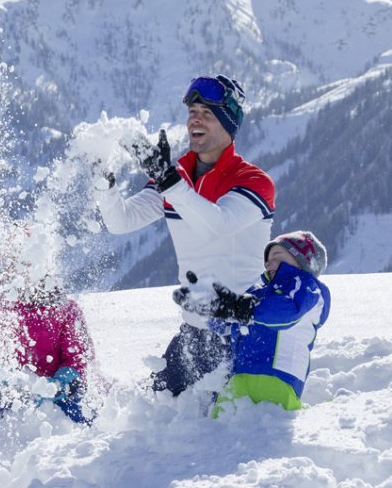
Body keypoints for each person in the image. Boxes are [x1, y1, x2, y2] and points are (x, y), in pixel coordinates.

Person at [95, 75, 276, 397]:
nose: (195, 119)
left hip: (242, 333)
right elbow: (121, 221)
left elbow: (217, 226)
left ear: (228, 125)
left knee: (225, 436)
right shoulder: (175, 174)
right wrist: (103, 184)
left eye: (207, 113)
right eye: (192, 112)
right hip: (192, 332)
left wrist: (169, 182)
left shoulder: (253, 181)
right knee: (158, 422)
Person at [172, 231, 330, 416]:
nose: (268, 263)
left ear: (303, 261)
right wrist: (214, 308)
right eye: (267, 259)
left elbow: (287, 312)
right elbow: (231, 327)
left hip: (277, 380)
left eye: (277, 257)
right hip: (238, 380)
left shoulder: (307, 287)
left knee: (266, 435)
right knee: (217, 436)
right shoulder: (258, 294)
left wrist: (241, 307)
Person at [0, 224, 97, 424]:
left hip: (60, 391)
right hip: (12, 393)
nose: (27, 271)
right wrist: (1, 377)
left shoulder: (65, 309)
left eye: (33, 263)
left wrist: (65, 381)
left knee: (80, 415)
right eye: (20, 263)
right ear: (10, 267)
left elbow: (78, 353)